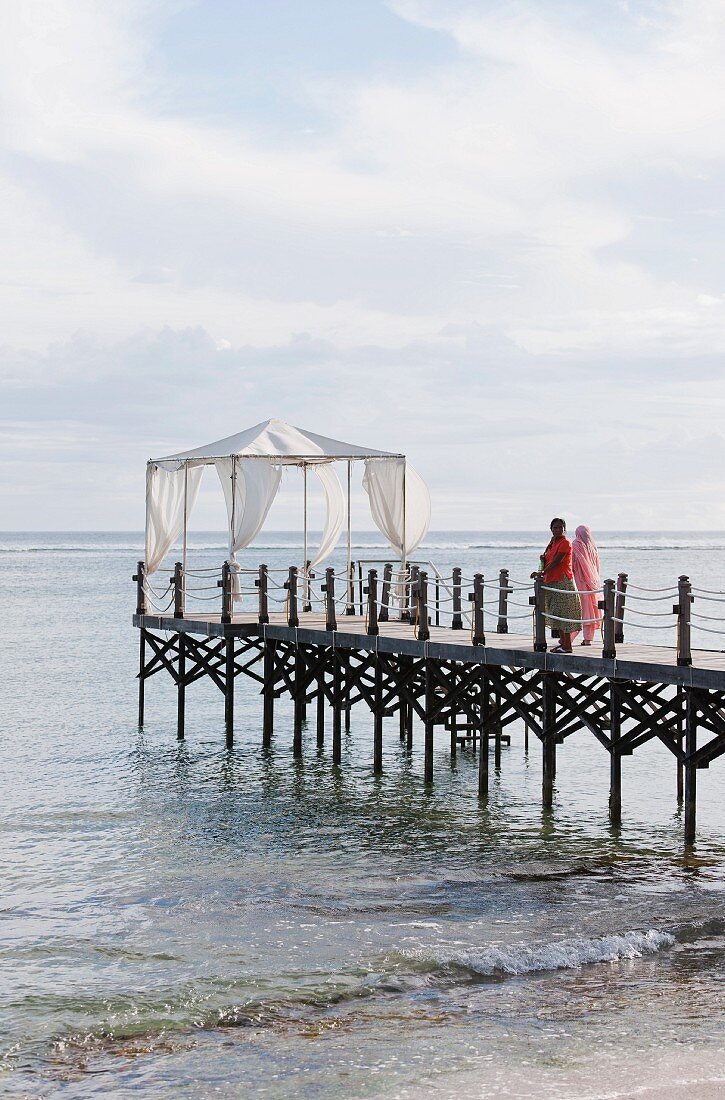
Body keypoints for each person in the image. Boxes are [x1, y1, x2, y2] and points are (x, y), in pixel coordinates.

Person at [532, 518, 582, 653]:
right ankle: (563, 643)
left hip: (562, 580)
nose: (558, 530)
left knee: (563, 612)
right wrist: (542, 567)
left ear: (564, 529)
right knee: (556, 612)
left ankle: (567, 646)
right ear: (551, 529)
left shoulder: (565, 543)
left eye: (560, 527)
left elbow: (557, 562)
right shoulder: (552, 542)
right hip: (552, 580)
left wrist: (541, 572)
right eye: (555, 528)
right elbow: (547, 559)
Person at [571, 525, 602, 646]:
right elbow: (597, 566)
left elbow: (571, 563)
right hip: (593, 582)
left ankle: (570, 638)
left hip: (579, 581)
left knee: (579, 610)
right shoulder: (592, 546)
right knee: (591, 609)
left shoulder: (576, 544)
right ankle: (588, 639)